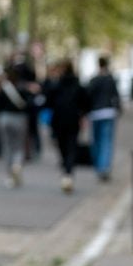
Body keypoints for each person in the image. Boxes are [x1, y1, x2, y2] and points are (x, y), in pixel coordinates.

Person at [45, 60, 88, 192]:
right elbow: (85, 103)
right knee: (71, 146)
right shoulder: (77, 85)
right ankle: (68, 173)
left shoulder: (56, 85)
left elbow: (48, 102)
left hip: (59, 121)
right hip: (73, 120)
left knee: (63, 147)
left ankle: (66, 171)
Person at [0, 65, 32, 188]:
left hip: (4, 118)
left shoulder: (3, 89)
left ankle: (10, 174)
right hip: (19, 119)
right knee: (18, 145)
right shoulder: (24, 88)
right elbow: (29, 105)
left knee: (7, 146)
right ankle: (17, 164)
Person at [86, 55, 121, 180]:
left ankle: (99, 166)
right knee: (106, 141)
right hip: (108, 112)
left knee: (97, 141)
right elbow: (116, 96)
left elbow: (87, 96)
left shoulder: (94, 79)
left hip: (96, 113)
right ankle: (104, 166)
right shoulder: (110, 79)